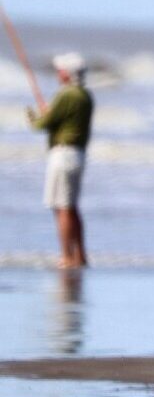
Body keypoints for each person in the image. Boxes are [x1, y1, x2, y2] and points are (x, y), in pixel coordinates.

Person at [28, 52, 94, 269]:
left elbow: (43, 124)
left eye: (60, 70)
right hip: (78, 154)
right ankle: (80, 255)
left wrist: (36, 116)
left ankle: (66, 256)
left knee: (62, 206)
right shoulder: (85, 95)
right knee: (72, 206)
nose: (58, 74)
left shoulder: (67, 94)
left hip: (63, 154)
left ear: (67, 73)